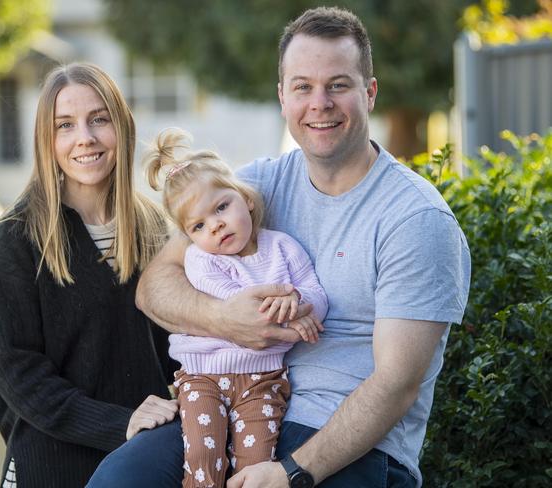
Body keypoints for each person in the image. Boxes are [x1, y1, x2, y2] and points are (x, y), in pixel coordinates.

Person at [87, 6, 471, 488]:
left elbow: (396, 385)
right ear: (282, 97)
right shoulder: (250, 191)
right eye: (303, 86)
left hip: (347, 447)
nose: (320, 103)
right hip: (228, 407)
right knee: (120, 479)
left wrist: (292, 473)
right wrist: (224, 319)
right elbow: (155, 287)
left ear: (369, 93)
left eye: (338, 85)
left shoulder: (414, 220)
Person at [0, 62, 180, 488]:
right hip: (50, 465)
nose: (84, 138)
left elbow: (179, 347)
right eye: (64, 125)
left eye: (98, 119)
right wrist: (120, 422)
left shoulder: (155, 228)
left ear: (121, 126)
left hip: (143, 465)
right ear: (46, 141)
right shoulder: (18, 239)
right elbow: (21, 377)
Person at [140, 128, 328, 487]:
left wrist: (303, 307)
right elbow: (241, 307)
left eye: (221, 207)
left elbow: (314, 292)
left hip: (263, 379)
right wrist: (287, 308)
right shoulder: (202, 261)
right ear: (189, 237)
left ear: (247, 199)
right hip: (203, 375)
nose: (216, 225)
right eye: (199, 225)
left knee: (255, 464)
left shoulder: (282, 248)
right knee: (202, 456)